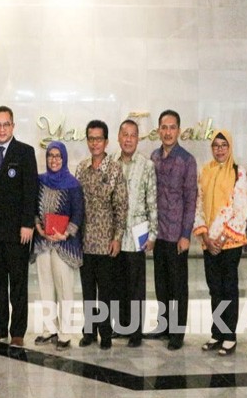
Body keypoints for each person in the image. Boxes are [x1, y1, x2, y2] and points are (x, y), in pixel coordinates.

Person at [0, 106, 38, 348]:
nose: (1, 129)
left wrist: (27, 223)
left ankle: (18, 331)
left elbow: (30, 190)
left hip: (17, 232)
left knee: (18, 282)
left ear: (13, 126)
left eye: (6, 124)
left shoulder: (25, 152)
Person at [194, 130, 247, 356]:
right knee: (214, 290)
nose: (219, 149)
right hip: (209, 243)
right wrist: (206, 236)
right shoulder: (205, 171)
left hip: (229, 243)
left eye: (224, 145)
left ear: (230, 147)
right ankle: (217, 333)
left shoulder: (238, 172)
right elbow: (199, 206)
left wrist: (223, 237)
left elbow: (241, 209)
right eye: (216, 145)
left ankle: (229, 336)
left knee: (228, 289)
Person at [76, 120, 128, 350]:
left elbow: (121, 207)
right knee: (88, 291)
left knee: (106, 292)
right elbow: (76, 204)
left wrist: (117, 237)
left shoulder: (115, 169)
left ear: (106, 142)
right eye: (91, 138)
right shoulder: (81, 167)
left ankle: (105, 333)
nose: (94, 143)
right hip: (85, 242)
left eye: (98, 139)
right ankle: (90, 331)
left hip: (106, 243)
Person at [148, 110, 197, 351]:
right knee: (162, 284)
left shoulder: (187, 160)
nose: (168, 132)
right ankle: (164, 326)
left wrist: (186, 234)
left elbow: (191, 199)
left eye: (172, 127)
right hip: (158, 234)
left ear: (178, 130)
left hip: (177, 234)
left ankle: (177, 333)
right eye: (164, 127)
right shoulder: (154, 157)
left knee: (178, 286)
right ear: (159, 130)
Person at [32, 141, 83, 351]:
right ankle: (49, 329)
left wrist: (66, 233)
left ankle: (65, 332)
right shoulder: (40, 181)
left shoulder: (73, 184)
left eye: (58, 156)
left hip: (64, 244)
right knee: (45, 286)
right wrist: (38, 226)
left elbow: (79, 213)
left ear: (64, 158)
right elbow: (33, 206)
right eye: (50, 156)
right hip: (44, 241)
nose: (54, 160)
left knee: (64, 288)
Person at [113, 119, 157, 348]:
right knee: (118, 284)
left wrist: (153, 234)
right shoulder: (111, 162)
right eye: (125, 135)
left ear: (137, 139)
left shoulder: (146, 165)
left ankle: (135, 332)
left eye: (132, 135)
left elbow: (152, 202)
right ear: (119, 138)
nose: (128, 139)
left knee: (136, 286)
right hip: (115, 236)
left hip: (138, 232)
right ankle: (121, 326)